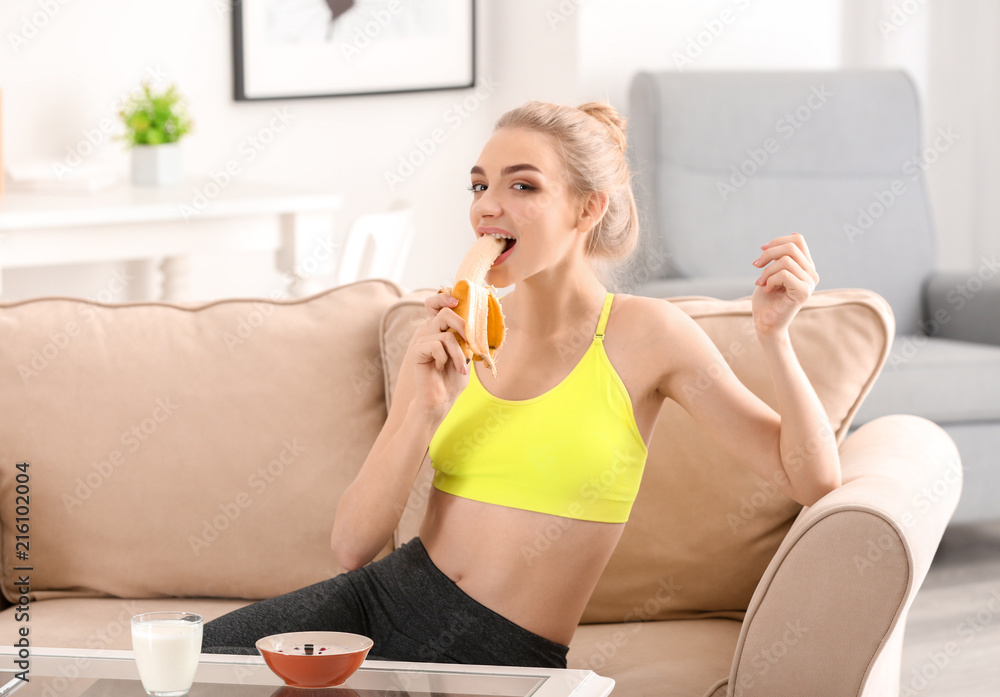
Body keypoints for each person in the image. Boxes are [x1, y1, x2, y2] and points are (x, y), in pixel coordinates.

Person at [201, 100, 840, 668]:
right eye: (478, 185)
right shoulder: (455, 329)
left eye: (522, 186)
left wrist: (775, 337)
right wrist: (422, 410)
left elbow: (811, 479)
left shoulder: (647, 336)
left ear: (588, 208)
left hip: (501, 654)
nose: (486, 206)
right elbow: (351, 546)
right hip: (375, 602)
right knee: (173, 669)